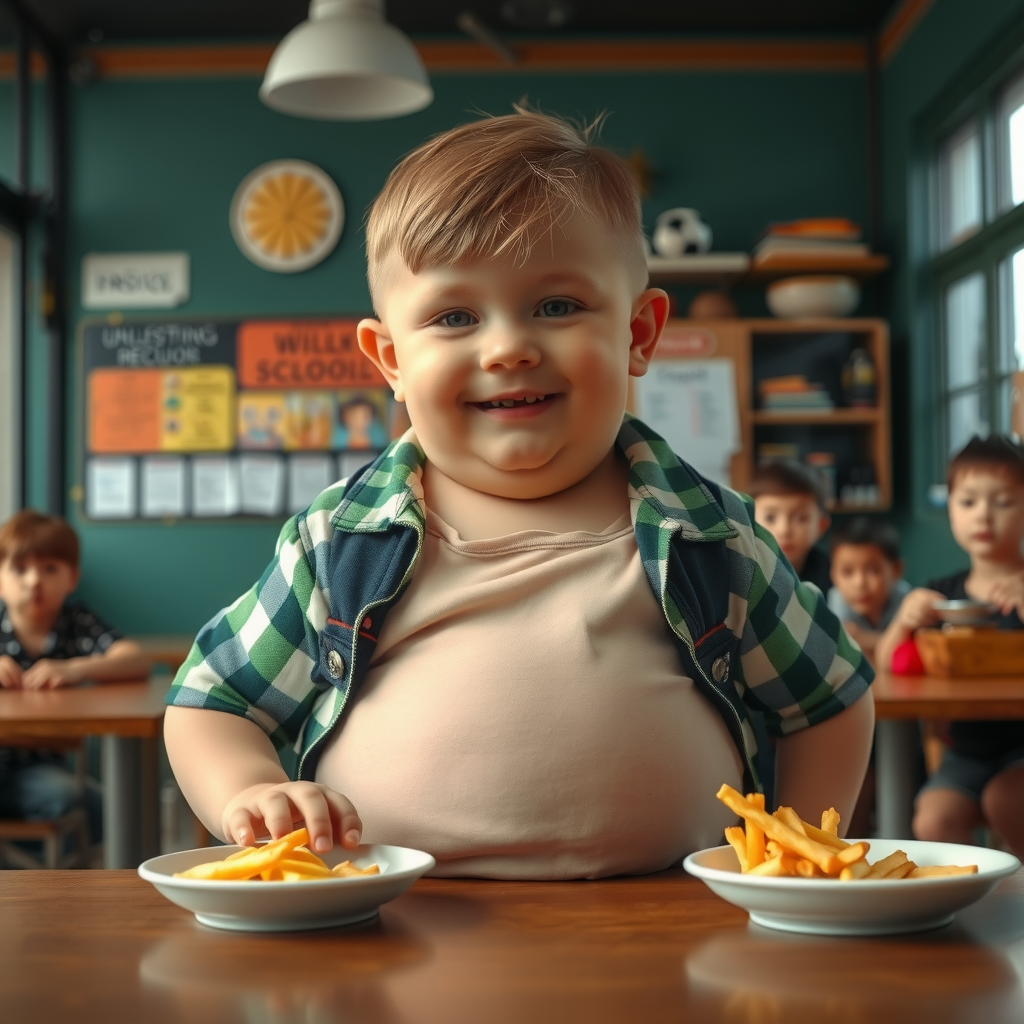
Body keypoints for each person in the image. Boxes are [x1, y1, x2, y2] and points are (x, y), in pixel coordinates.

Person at [165, 110, 874, 880]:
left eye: (557, 306)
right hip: (387, 937)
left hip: (670, 938)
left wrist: (798, 853)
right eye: (455, 316)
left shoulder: (712, 536)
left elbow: (829, 699)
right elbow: (212, 702)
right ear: (390, 358)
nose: (507, 347)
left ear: (639, 333)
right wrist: (252, 790)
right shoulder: (341, 540)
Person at [876, 436, 1024, 855]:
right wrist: (904, 621)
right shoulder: (940, 594)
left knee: (1006, 800)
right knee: (933, 817)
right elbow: (889, 669)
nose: (984, 516)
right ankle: (971, 909)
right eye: (969, 502)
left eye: (1004, 502)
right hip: (965, 752)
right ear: (952, 511)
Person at [0, 510, 150, 851]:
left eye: (49, 569)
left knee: (93, 802)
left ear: (71, 579)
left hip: (40, 770)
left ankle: (64, 884)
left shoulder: (76, 622)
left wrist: (76, 669)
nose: (34, 581)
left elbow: (137, 660)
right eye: (20, 569)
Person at [827, 517, 910, 663]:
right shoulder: (837, 598)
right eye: (847, 572)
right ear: (833, 575)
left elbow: (911, 646)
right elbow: (839, 645)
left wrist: (864, 638)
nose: (859, 583)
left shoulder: (906, 599)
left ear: (896, 570)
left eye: (873, 571)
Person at [750, 461, 832, 594]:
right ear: (749, 521)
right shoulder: (741, 572)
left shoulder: (834, 574)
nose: (784, 530)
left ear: (821, 525)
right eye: (770, 518)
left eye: (800, 518)